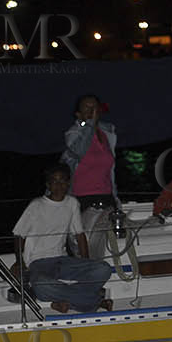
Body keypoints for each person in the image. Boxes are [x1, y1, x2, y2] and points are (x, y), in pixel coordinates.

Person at [13, 165, 113, 314]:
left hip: (62, 260)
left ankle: (65, 302)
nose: (58, 185)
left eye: (62, 181)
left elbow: (79, 235)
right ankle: (94, 302)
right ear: (48, 185)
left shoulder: (72, 203)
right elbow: (18, 234)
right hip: (38, 262)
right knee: (41, 286)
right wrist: (19, 262)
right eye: (54, 181)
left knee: (103, 269)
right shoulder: (37, 205)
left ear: (68, 184)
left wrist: (86, 263)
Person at [61, 93, 119, 262]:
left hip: (106, 196)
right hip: (80, 198)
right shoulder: (73, 133)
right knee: (79, 246)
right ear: (78, 113)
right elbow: (78, 150)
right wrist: (89, 125)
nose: (91, 109)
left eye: (94, 106)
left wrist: (116, 198)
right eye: (86, 107)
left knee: (104, 245)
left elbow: (110, 169)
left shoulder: (108, 132)